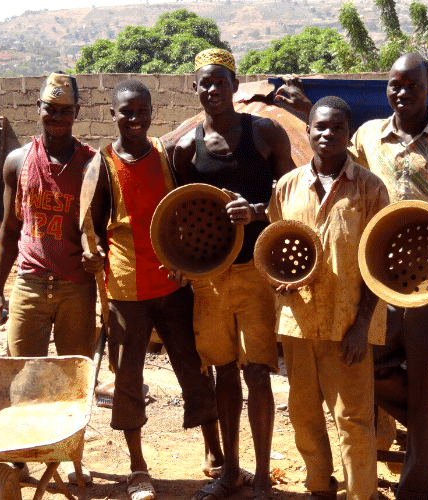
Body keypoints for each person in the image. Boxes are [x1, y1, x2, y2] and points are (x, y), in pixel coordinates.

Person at [276, 53, 428, 499]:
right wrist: (303, 111)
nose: (402, 92)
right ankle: (372, 446)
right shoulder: (370, 135)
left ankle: (417, 486)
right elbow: (330, 153)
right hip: (375, 278)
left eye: (412, 84)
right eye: (395, 84)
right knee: (368, 369)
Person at [81, 79, 223, 500]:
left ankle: (214, 455)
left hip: (173, 284)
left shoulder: (168, 155)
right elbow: (93, 228)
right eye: (126, 111)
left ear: (150, 113)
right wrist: (93, 260)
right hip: (126, 288)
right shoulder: (102, 164)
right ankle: (138, 468)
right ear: (113, 115)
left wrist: (187, 262)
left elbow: (189, 209)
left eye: (141, 110)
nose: (135, 118)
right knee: (127, 378)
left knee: (195, 368)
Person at [172, 48, 296, 500]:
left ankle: (263, 476)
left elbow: (293, 198)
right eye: (204, 84)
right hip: (211, 279)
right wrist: (183, 261)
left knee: (259, 371)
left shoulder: (263, 134)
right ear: (196, 89)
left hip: (255, 272)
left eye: (219, 83)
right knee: (223, 370)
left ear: (234, 85)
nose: (211, 91)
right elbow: (180, 213)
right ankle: (231, 472)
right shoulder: (187, 148)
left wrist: (258, 210)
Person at [268, 96, 389, 500]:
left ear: (347, 134)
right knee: (304, 417)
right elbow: (276, 247)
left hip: (348, 325)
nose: (327, 134)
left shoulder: (370, 189)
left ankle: (362, 495)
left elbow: (379, 263)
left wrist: (362, 327)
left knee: (353, 419)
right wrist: (278, 280)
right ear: (308, 131)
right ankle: (319, 486)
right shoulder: (287, 187)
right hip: (298, 324)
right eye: (319, 126)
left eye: (336, 127)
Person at [0, 72, 97, 481]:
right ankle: (19, 460)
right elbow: (7, 231)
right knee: (22, 373)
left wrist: (95, 259)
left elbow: (99, 231)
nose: (56, 117)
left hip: (75, 287)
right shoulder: (17, 161)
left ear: (76, 114)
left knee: (72, 378)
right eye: (49, 109)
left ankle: (73, 460)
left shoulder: (90, 164)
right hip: (30, 283)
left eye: (64, 111)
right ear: (38, 109)